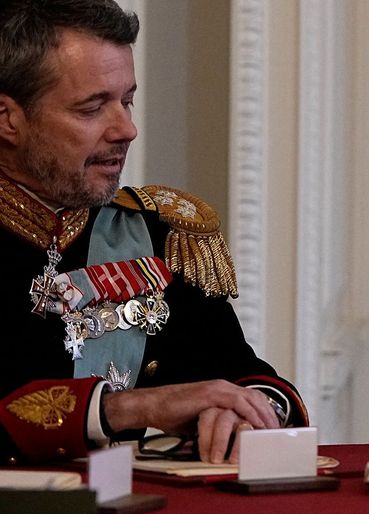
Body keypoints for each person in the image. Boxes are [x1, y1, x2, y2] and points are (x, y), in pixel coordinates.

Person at [0, 0, 307, 465]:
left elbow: (245, 376)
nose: (127, 129)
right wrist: (126, 408)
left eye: (126, 101)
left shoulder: (157, 235)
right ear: (8, 119)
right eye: (92, 108)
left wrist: (251, 414)